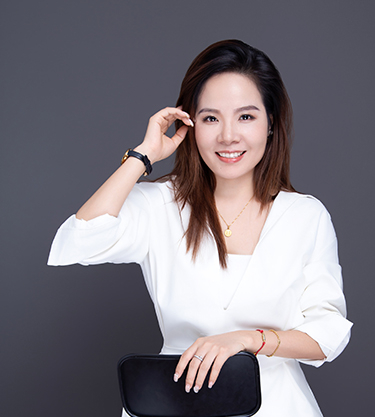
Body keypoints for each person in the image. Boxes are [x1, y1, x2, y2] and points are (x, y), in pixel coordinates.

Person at [48, 39, 352, 416]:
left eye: (246, 117)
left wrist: (248, 340)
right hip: (174, 403)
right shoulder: (162, 204)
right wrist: (143, 155)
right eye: (210, 118)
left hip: (276, 404)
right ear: (189, 124)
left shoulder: (305, 216)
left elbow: (328, 333)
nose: (228, 136)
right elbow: (80, 240)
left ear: (271, 123)